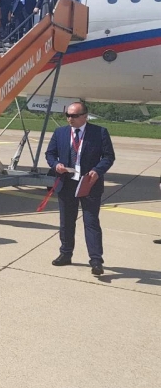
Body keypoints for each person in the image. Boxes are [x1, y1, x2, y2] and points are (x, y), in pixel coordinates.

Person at [45, 102, 115, 275]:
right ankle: (65, 253)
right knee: (66, 222)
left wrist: (97, 170)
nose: (70, 119)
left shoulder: (99, 132)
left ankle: (96, 260)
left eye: (74, 116)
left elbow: (108, 156)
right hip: (67, 183)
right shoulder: (60, 132)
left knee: (91, 222)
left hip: (89, 183)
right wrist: (56, 165)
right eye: (68, 115)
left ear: (85, 116)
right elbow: (50, 154)